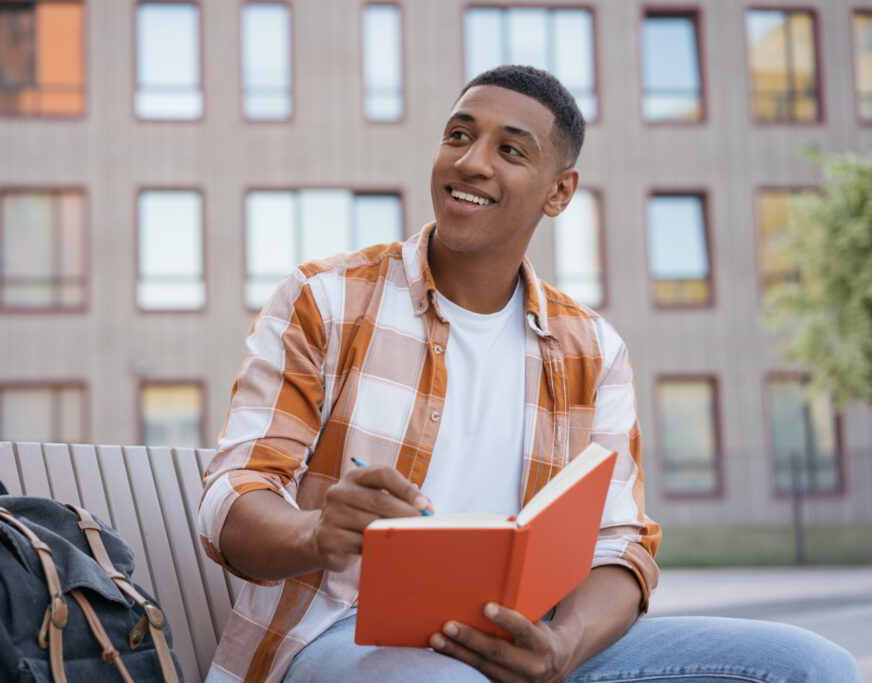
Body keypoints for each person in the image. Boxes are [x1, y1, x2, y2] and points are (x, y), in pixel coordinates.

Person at [198, 65, 861, 683]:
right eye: (459, 135)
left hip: (529, 641)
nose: (471, 161)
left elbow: (621, 548)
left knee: (811, 664)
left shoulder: (593, 350)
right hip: (339, 636)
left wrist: (561, 649)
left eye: (511, 150)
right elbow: (232, 498)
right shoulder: (326, 300)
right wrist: (317, 531)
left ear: (559, 192)